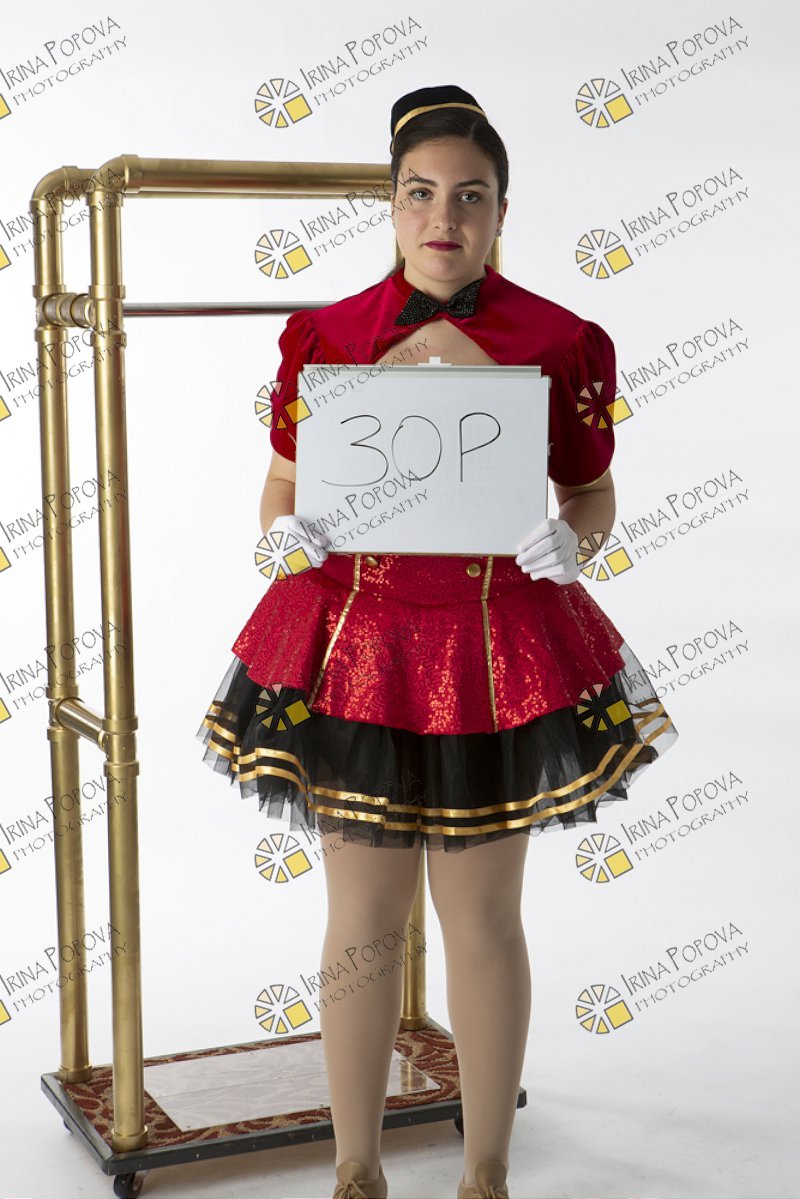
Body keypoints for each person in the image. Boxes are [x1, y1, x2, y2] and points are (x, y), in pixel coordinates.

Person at [196, 83, 679, 1199]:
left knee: (483, 918)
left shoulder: (559, 340)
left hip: (493, 647)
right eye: (419, 193)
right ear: (391, 203)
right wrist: (283, 536)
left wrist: (575, 540)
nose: (442, 216)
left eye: (469, 195)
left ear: (502, 208)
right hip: (353, 646)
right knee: (360, 918)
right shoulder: (326, 336)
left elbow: (593, 491)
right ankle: (355, 1164)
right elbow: (280, 486)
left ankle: (484, 1170)